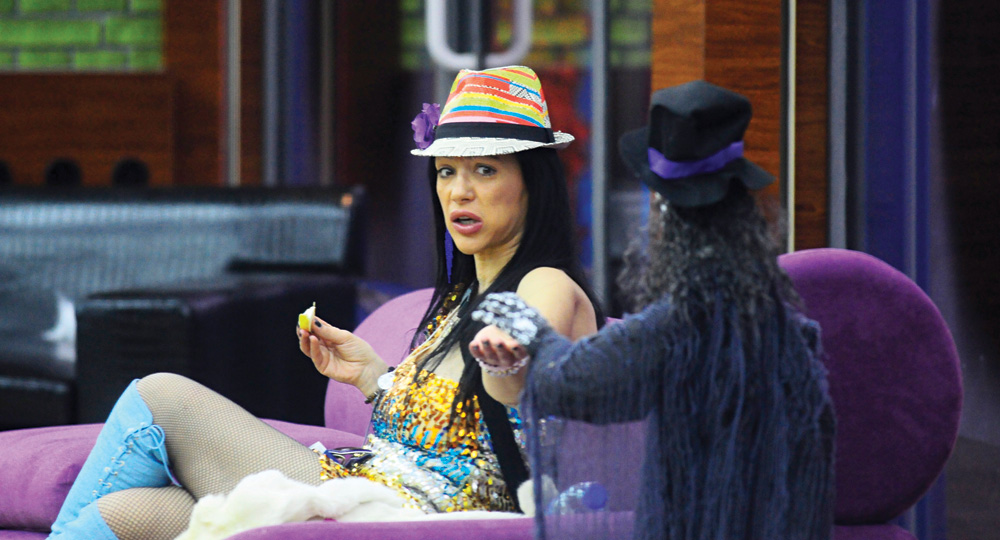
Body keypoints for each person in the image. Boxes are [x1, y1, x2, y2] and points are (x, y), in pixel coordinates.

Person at [47, 65, 602, 540]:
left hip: (409, 516)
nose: (459, 191)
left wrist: (509, 353)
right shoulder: (464, 297)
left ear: (532, 183)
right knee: (131, 512)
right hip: (372, 489)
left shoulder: (545, 282)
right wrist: (374, 378)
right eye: (446, 171)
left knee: (160, 395)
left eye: (485, 170)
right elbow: (456, 427)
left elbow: (518, 362)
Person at [470, 81, 835, 540]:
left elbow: (575, 383)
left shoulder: (678, 324)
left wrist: (535, 334)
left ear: (665, 208)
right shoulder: (785, 328)